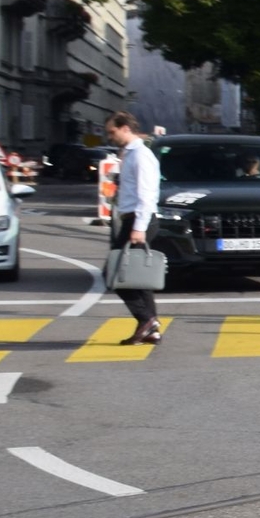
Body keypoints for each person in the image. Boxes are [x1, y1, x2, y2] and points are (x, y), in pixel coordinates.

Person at [101, 111, 163, 345]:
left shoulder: (141, 156)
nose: (110, 136)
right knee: (139, 280)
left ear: (125, 128)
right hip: (133, 220)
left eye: (112, 131)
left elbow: (146, 195)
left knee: (113, 273)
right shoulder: (129, 155)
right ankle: (152, 329)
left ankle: (146, 320)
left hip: (139, 221)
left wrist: (139, 228)